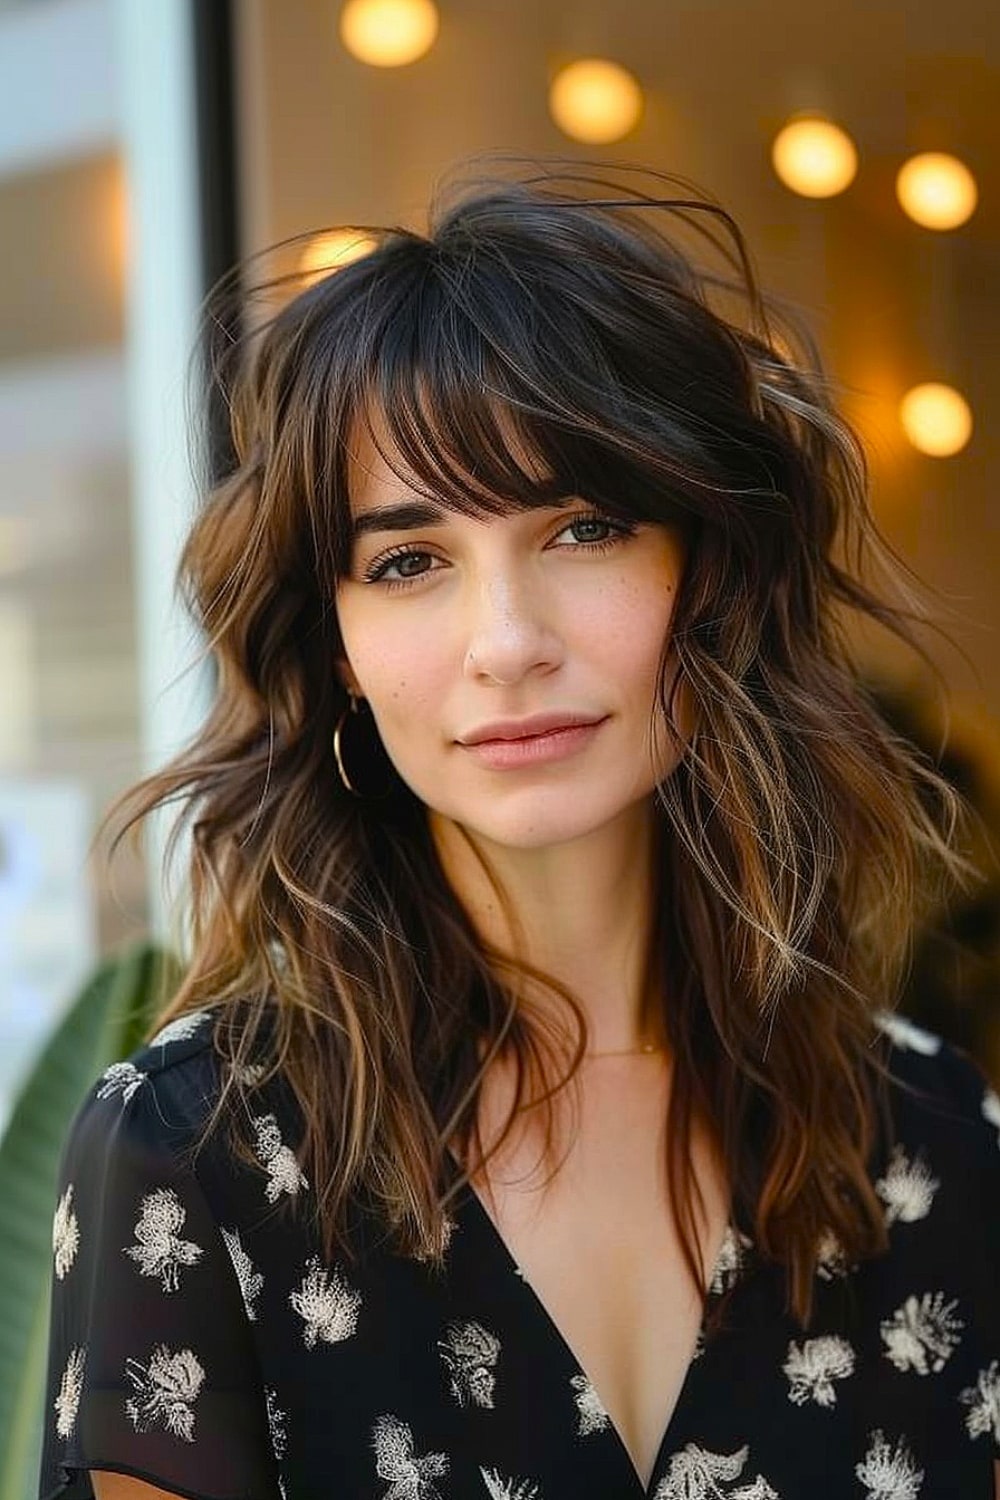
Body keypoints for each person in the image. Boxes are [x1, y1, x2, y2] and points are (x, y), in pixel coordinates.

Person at [38, 163, 1000, 1500]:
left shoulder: (933, 1139)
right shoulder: (195, 1157)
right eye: (409, 561)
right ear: (340, 646)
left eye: (585, 528)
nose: (507, 645)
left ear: (706, 572)